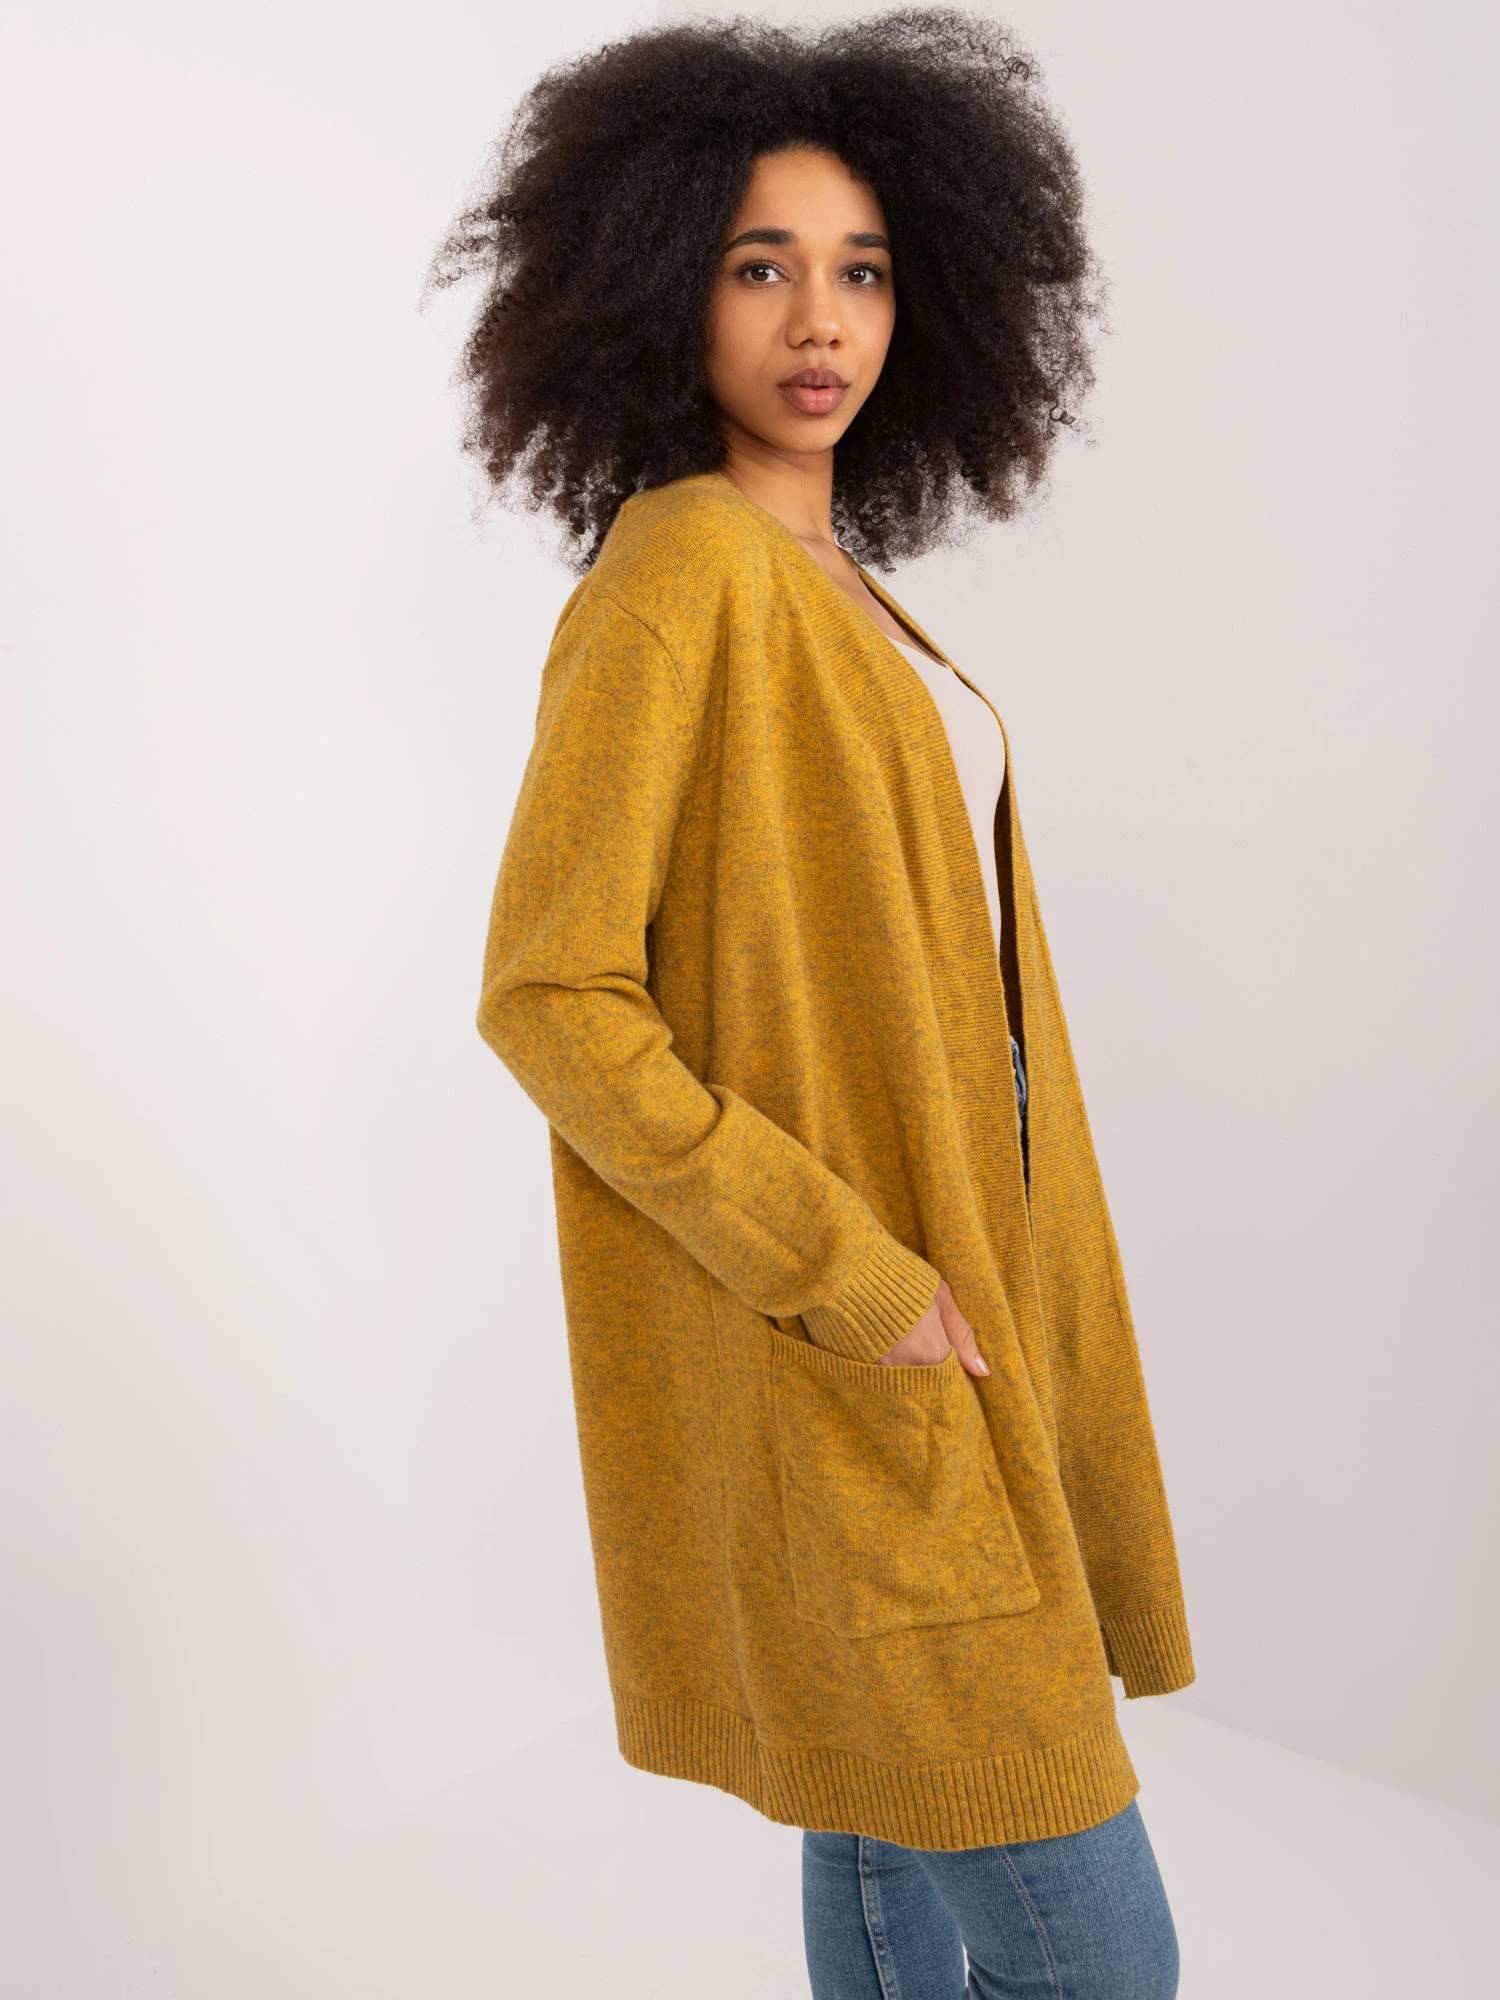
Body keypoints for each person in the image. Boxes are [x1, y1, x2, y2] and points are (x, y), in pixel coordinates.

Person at [431, 12, 1194, 1995]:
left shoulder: (837, 577)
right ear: (656, 284)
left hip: (957, 1332)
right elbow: (551, 991)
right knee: (1105, 1960)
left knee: (881, 1847)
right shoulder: (679, 568)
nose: (817, 317)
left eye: (861, 267)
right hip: (859, 1337)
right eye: (758, 264)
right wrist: (850, 1273)